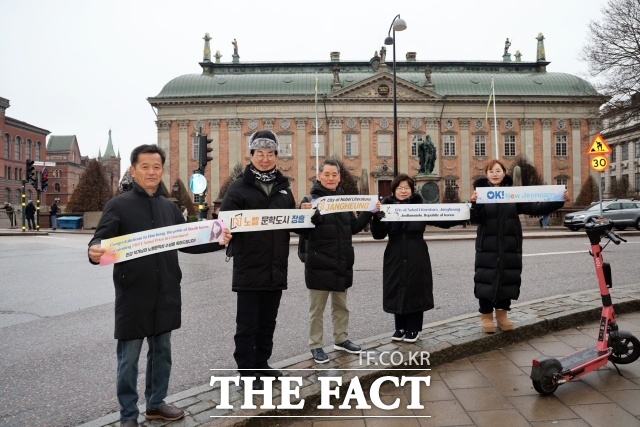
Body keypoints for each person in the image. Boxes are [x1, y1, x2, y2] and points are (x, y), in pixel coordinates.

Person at [87, 144, 231, 427]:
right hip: (133, 294)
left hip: (166, 290)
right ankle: (128, 415)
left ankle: (155, 404)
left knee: (162, 353)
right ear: (133, 170)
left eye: (156, 167)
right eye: (145, 167)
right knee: (128, 360)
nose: (151, 172)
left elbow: (189, 243)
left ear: (162, 170)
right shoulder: (119, 205)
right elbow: (100, 240)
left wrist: (217, 241)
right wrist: (94, 250)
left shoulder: (169, 207)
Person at [220, 130, 295, 390]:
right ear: (250, 155)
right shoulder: (238, 188)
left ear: (276, 156)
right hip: (249, 267)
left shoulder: (284, 189)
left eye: (270, 153)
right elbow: (224, 223)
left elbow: (295, 222)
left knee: (268, 322)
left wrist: (309, 217)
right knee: (247, 324)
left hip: (276, 267)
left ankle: (262, 364)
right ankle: (247, 371)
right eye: (260, 154)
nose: (265, 159)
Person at [470, 159, 568, 333]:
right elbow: (476, 219)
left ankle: (502, 315)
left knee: (508, 279)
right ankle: (486, 317)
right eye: (491, 171)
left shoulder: (514, 194)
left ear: (504, 173)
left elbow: (535, 207)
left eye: (498, 170)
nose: (494, 174)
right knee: (485, 279)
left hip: (510, 245)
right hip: (487, 246)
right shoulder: (481, 194)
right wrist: (475, 203)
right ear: (486, 174)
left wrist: (559, 200)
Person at [300, 159, 373, 364]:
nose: (331, 178)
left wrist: (369, 212)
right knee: (317, 310)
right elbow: (301, 231)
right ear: (319, 176)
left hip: (341, 262)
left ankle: (341, 339)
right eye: (327, 174)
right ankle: (316, 345)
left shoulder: (345, 202)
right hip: (319, 263)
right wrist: (306, 217)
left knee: (341, 307)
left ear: (339, 178)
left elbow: (352, 228)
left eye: (335, 175)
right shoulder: (309, 200)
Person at [371, 174, 459, 343]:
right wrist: (377, 219)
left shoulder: (420, 207)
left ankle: (413, 328)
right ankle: (400, 327)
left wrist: (464, 212)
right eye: (399, 188)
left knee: (415, 288)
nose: (403, 191)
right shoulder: (386, 208)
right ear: (394, 190)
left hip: (416, 251)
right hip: (394, 251)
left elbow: (443, 221)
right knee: (397, 287)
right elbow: (378, 235)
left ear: (412, 190)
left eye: (406, 188)